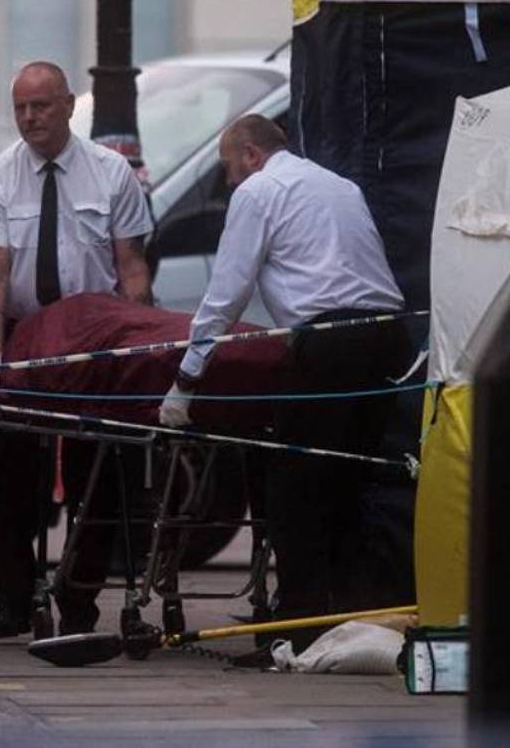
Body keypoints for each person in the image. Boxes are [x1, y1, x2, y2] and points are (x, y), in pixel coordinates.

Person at [159, 115, 412, 655]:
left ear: (250, 155)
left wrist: (186, 381)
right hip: (388, 339)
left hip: (331, 345)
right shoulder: (341, 186)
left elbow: (226, 293)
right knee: (348, 485)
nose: (229, 181)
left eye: (228, 167)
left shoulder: (258, 191)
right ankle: (349, 622)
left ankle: (296, 632)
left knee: (293, 490)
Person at [0, 61, 153, 639]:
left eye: (41, 106)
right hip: (26, 335)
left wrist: (137, 352)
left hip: (94, 335)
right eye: (21, 108)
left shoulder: (110, 174)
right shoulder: (0, 178)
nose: (29, 118)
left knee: (92, 475)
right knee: (10, 475)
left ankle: (79, 601)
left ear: (70, 105)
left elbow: (131, 270)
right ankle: (13, 601)